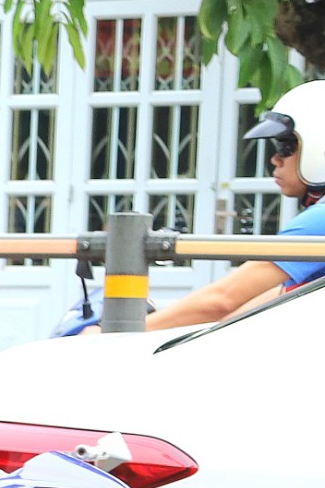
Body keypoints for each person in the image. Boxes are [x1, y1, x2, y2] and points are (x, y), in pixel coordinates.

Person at [131, 81, 325, 329]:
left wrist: (126, 331)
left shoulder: (320, 219)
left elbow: (223, 300)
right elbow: (255, 306)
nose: (274, 159)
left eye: (286, 147)